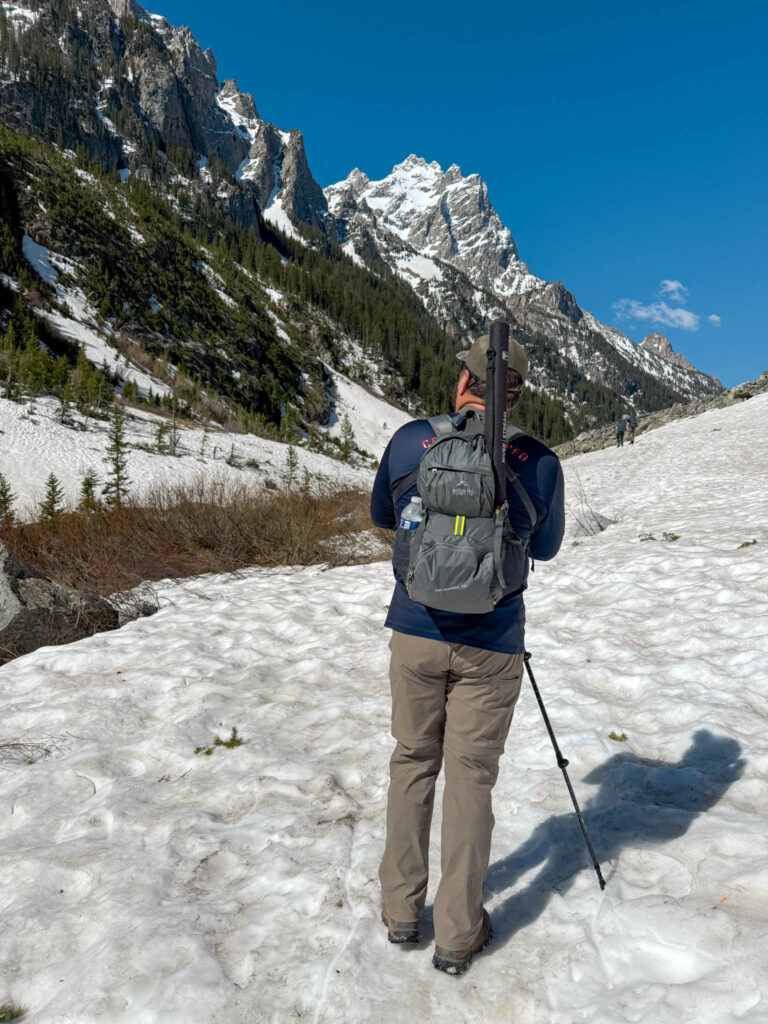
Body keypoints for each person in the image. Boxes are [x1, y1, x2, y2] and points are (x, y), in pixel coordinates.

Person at [370, 333, 565, 975]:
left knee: (411, 762)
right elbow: (545, 549)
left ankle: (401, 912)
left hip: (416, 631)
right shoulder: (537, 461)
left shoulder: (408, 441)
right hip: (492, 644)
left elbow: (382, 514)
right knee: (471, 779)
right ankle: (458, 933)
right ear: (518, 393)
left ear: (463, 382)